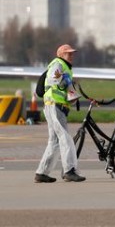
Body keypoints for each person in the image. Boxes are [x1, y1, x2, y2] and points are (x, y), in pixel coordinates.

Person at [35, 44, 85, 183]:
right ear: (61, 54)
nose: (71, 55)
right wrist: (65, 82)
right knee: (65, 138)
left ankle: (42, 172)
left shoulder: (64, 66)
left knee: (54, 141)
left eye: (72, 53)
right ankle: (69, 170)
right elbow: (53, 79)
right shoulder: (58, 63)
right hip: (54, 105)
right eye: (68, 53)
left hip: (54, 106)